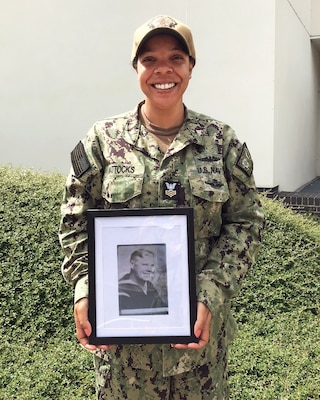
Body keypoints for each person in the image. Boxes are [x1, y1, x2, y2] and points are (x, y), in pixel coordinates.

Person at [59, 14, 265, 399]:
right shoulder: (103, 140)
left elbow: (246, 223)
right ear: (136, 68)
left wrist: (210, 293)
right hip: (124, 354)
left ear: (191, 67)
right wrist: (86, 288)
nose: (163, 70)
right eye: (149, 59)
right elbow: (74, 222)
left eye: (176, 57)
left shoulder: (221, 142)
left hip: (200, 346)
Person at [118, 248, 168, 314]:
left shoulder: (150, 287)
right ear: (132, 265)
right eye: (145, 265)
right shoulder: (122, 290)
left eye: (152, 265)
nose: (149, 269)